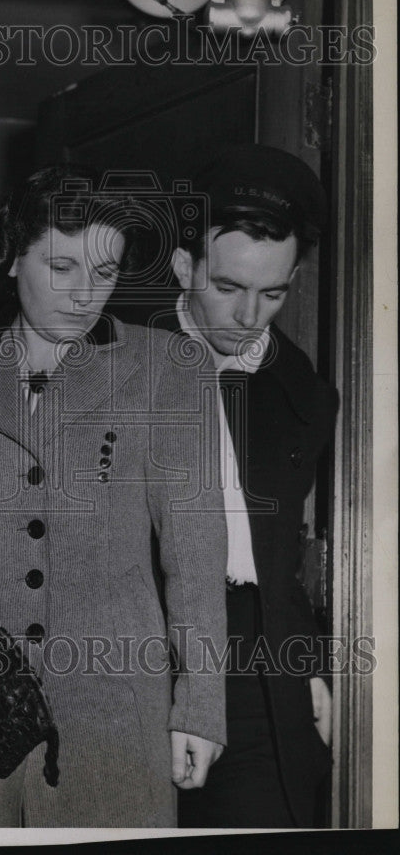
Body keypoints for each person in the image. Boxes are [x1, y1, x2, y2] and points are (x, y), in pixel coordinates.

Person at [0, 165, 228, 827]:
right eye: (61, 267)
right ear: (12, 259)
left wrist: (201, 705)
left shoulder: (168, 371)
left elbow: (197, 552)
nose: (83, 294)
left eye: (104, 271)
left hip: (115, 717)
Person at [125, 145, 338, 828]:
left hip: (256, 664)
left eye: (271, 293)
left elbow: (275, 553)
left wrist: (303, 665)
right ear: (185, 266)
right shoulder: (114, 360)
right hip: (134, 648)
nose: (248, 315)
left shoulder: (298, 389)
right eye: (227, 287)